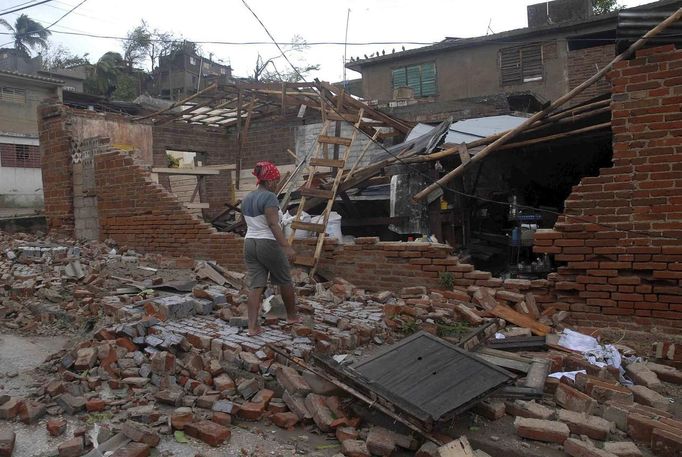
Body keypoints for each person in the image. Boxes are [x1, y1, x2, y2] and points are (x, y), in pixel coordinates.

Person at [242, 161, 301, 336]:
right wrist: (287, 247)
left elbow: (246, 221)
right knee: (284, 280)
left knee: (256, 285)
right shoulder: (269, 197)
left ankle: (252, 327)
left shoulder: (247, 198)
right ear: (268, 181)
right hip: (267, 243)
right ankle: (292, 316)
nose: (276, 184)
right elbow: (273, 224)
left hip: (249, 243)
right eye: (275, 180)